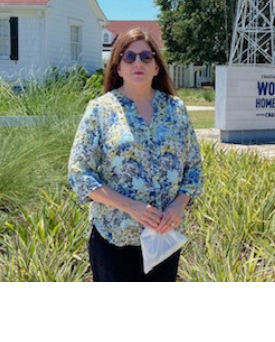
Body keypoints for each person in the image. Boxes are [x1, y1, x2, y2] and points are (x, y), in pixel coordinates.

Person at [68, 28, 203, 282]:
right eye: (128, 57)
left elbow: (194, 167)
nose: (137, 63)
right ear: (118, 67)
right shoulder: (101, 110)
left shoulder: (175, 110)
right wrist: (131, 207)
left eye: (145, 57)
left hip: (164, 239)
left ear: (156, 67)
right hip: (114, 240)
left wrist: (178, 204)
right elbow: (79, 173)